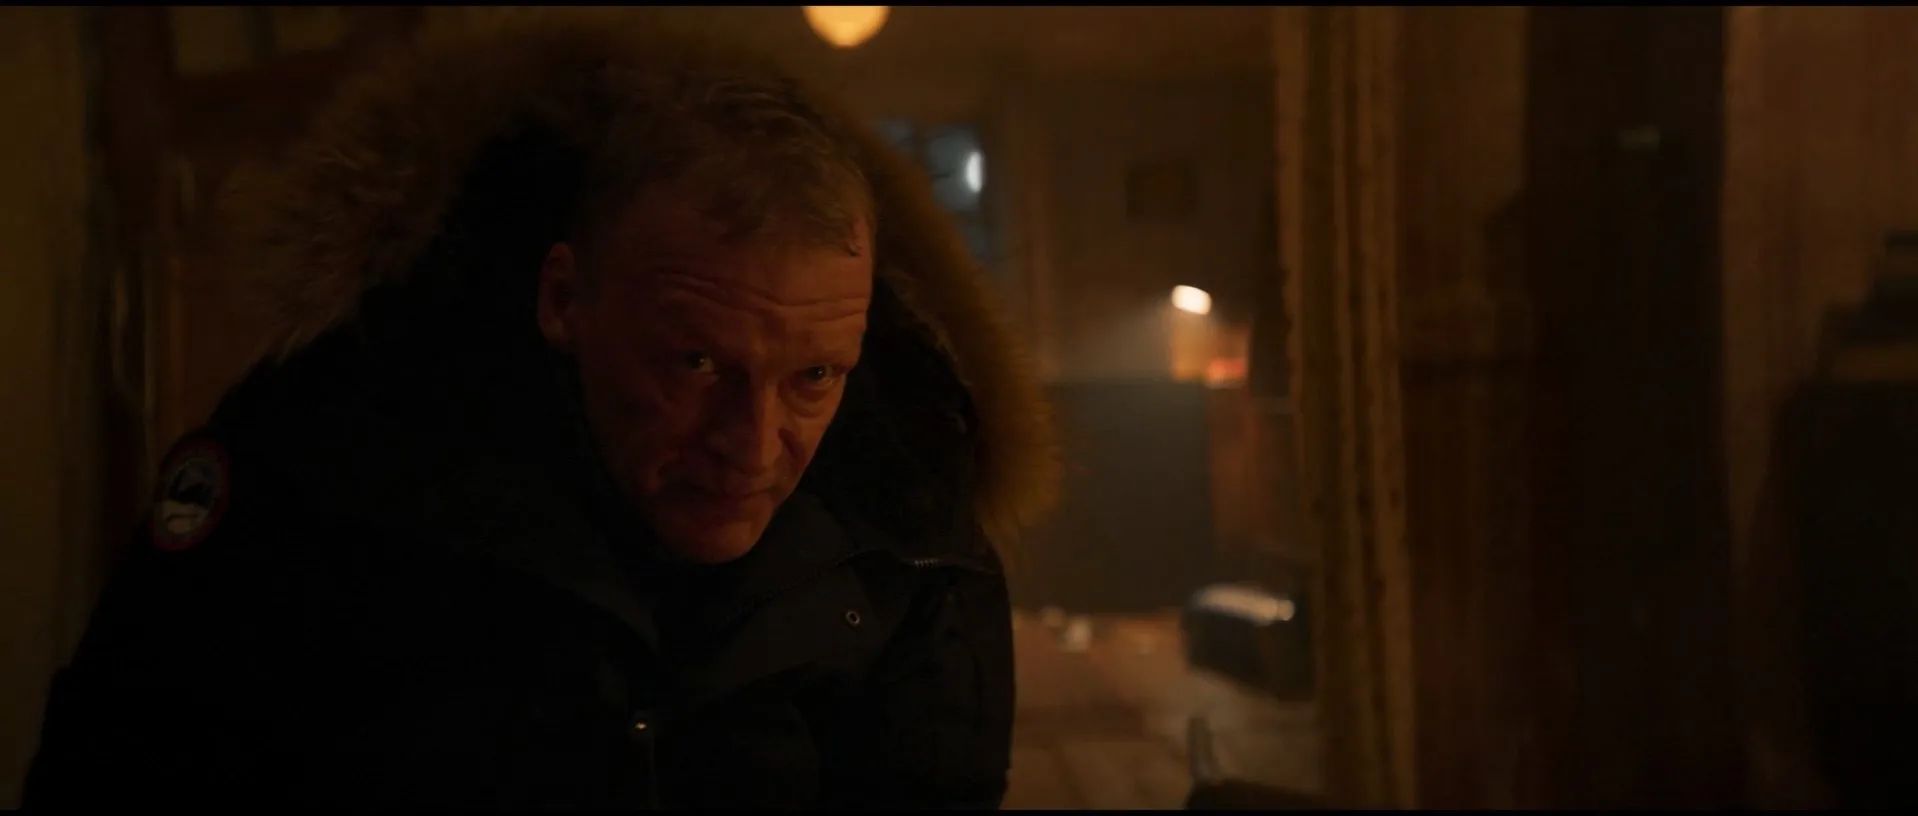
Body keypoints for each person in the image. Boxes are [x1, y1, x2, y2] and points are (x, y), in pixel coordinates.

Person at [24, 10, 1059, 810]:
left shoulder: (912, 529)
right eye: (697, 363)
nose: (753, 447)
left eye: (815, 379)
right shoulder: (330, 457)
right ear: (564, 299)